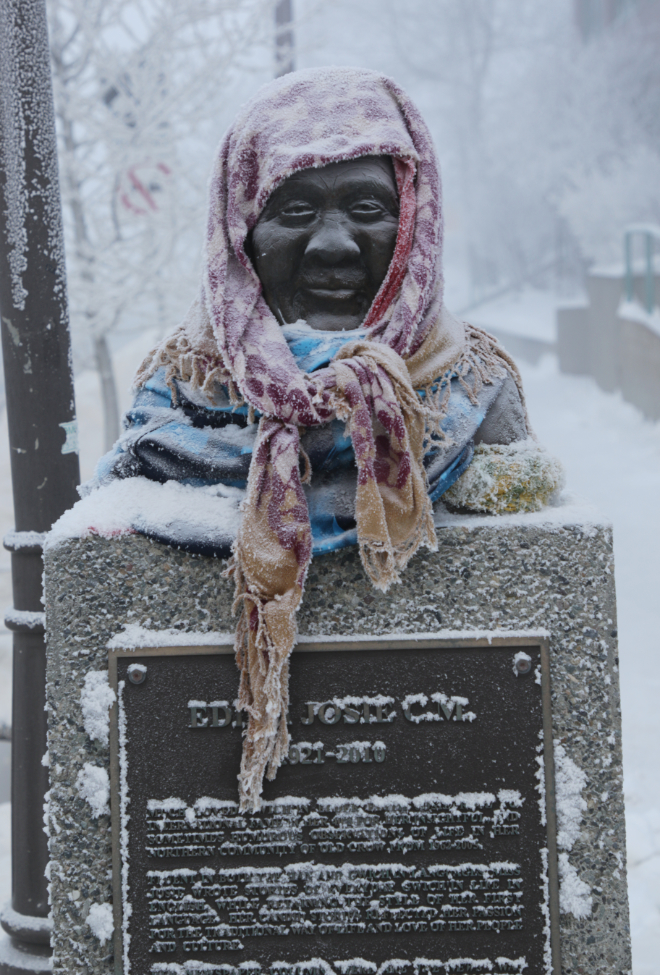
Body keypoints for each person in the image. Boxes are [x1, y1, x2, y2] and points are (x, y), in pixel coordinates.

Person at [90, 67, 562, 808]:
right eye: (297, 209)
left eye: (368, 207)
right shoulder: (175, 396)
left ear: (414, 217)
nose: (335, 245)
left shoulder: (475, 392)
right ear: (240, 230)